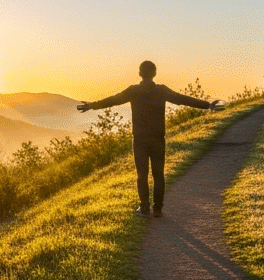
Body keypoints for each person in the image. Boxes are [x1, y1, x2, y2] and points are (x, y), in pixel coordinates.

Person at [77, 60, 223, 217]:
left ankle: (145, 208)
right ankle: (158, 209)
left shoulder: (133, 91)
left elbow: (113, 100)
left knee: (142, 174)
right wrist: (208, 105)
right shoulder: (162, 90)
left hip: (140, 139)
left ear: (140, 73)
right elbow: (183, 99)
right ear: (155, 74)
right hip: (158, 139)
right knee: (158, 174)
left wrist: (91, 105)